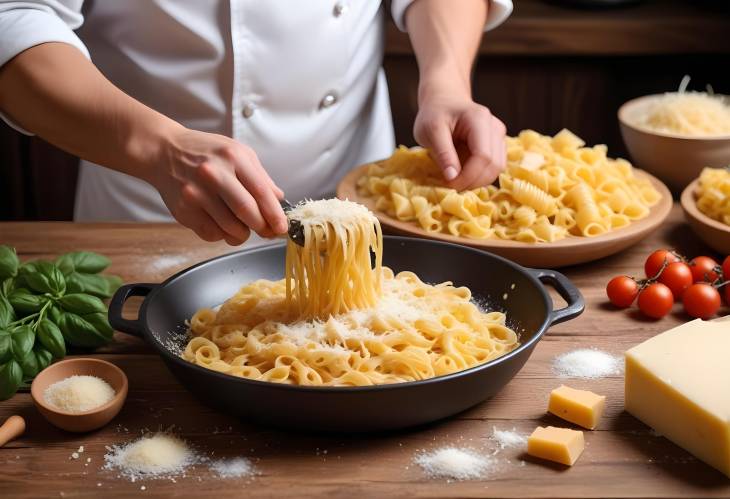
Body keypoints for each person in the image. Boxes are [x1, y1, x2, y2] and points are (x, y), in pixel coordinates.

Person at [0, 0, 511, 245]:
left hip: (358, 197)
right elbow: (14, 17)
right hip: (150, 209)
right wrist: (160, 150)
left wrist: (444, 84)